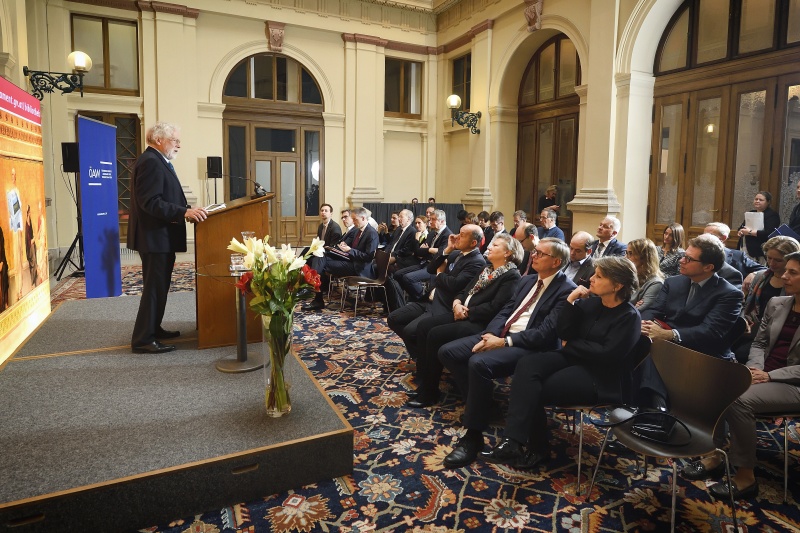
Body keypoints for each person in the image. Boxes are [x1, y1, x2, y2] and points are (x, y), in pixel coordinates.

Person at [480, 256, 641, 469]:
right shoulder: (591, 303)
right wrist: (570, 301)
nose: (591, 279)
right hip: (573, 359)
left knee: (535, 388)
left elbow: (607, 355)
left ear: (618, 285)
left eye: (599, 276)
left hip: (600, 376)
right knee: (527, 365)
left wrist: (571, 344)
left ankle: (537, 449)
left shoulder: (629, 317)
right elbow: (563, 332)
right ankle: (513, 441)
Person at [438, 237, 575, 467]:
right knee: (448, 352)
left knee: (478, 363)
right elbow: (505, 311)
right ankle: (484, 404)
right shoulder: (527, 280)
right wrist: (491, 336)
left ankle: (473, 435)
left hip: (529, 346)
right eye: (535, 252)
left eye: (541, 254)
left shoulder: (565, 290)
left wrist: (504, 342)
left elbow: (545, 334)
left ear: (556, 261)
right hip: (502, 335)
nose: (534, 256)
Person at [683, 250, 800, 500]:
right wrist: (756, 368)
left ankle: (746, 476)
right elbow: (758, 342)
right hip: (763, 372)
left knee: (739, 399)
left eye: (793, 272)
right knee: (715, 382)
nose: (784, 275)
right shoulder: (778, 303)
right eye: (786, 269)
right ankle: (715, 453)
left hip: (792, 382)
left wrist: (770, 376)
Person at [407, 233, 523, 408]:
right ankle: (425, 382)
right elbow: (464, 291)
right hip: (461, 312)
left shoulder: (511, 275)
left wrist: (467, 312)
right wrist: (456, 304)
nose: (489, 247)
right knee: (424, 326)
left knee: (435, 334)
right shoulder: (487, 269)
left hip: (479, 322)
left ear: (507, 253)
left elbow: (496, 307)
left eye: (495, 246)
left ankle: (429, 392)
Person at [128, 122, 208, 354]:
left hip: (159, 238)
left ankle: (153, 328)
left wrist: (187, 208)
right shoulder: (151, 162)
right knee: (154, 289)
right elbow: (150, 202)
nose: (179, 145)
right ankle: (143, 339)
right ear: (158, 139)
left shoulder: (157, 160)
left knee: (159, 287)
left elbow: (162, 197)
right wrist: (183, 212)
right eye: (175, 140)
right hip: (155, 239)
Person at [638, 234, 743, 408]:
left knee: (653, 352)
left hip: (703, 352)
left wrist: (670, 334)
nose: (681, 261)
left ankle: (655, 407)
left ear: (708, 267)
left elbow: (710, 331)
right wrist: (644, 325)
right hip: (669, 345)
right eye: (683, 256)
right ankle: (650, 407)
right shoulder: (674, 282)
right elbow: (653, 310)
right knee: (637, 341)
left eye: (688, 259)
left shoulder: (729, 294)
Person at [387, 225, 486, 359]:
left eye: (462, 235)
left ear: (473, 243)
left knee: (410, 331)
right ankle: (423, 355)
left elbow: (454, 285)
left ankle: (426, 359)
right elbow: (431, 269)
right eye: (458, 232)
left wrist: (440, 274)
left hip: (443, 304)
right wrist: (447, 249)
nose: (456, 236)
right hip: (429, 299)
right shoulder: (456, 254)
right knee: (393, 319)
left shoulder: (477, 261)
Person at [734, 236, 800, 362]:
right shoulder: (760, 276)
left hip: (771, 332)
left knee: (741, 354)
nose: (771, 263)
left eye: (778, 260)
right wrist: (744, 320)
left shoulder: (793, 286)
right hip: (752, 325)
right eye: (769, 258)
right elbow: (747, 305)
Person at [306, 206, 379, 310]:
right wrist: (344, 249)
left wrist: (350, 250)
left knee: (321, 262)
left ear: (363, 218)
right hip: (351, 261)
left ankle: (317, 292)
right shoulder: (360, 230)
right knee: (320, 256)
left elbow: (368, 257)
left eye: (355, 219)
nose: (353, 222)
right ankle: (317, 292)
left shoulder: (371, 233)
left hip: (359, 267)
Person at [704, 222, 765, 290]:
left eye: (710, 235)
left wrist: (754, 274)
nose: (705, 238)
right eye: (704, 235)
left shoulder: (738, 255)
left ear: (723, 238)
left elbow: (765, 270)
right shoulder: (696, 254)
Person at [737, 191, 780, 263]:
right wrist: (740, 231)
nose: (757, 201)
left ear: (768, 202)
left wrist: (750, 232)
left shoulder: (772, 215)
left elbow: (769, 233)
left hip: (761, 249)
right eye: (756, 199)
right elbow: (742, 227)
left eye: (761, 200)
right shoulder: (751, 212)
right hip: (746, 246)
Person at [626, 238, 664, 312]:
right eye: (626, 253)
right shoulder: (627, 274)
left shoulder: (656, 283)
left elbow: (638, 310)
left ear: (644, 257)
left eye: (630, 253)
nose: (626, 257)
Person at [0, 225, 8, 310]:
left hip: (1, 262)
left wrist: (1, 261)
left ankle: (3, 304)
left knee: (3, 282)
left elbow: (1, 246)